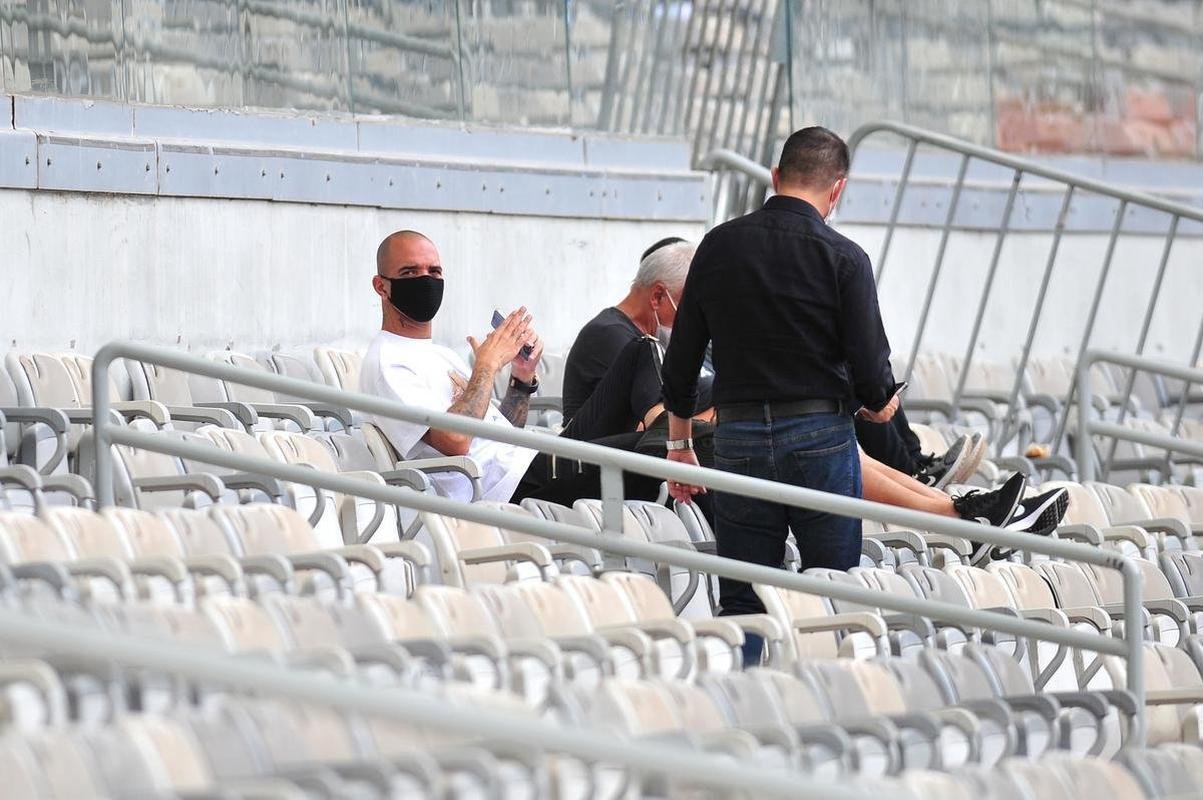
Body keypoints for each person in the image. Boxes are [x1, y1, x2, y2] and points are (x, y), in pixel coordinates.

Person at [658, 127, 1027, 642]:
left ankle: (743, 701)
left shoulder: (718, 246)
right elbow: (873, 375)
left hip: (738, 436)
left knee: (742, 601)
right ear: (837, 190)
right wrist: (878, 405)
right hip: (818, 439)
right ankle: (824, 700)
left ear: (776, 177)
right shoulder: (846, 258)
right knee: (835, 593)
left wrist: (679, 447)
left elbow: (679, 363)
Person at [359, 229, 660, 507]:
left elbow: (501, 433)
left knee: (641, 350)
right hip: (511, 488)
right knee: (666, 449)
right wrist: (487, 366)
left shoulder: (438, 353)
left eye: (434, 271)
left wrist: (521, 377)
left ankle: (667, 432)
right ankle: (671, 436)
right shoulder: (387, 362)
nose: (425, 280)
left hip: (531, 460)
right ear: (380, 286)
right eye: (410, 272)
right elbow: (455, 441)